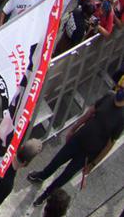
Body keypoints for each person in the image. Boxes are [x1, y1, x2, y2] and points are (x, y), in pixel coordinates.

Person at [28, 75, 124, 205]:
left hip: (88, 154)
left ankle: (47, 194)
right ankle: (42, 175)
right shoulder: (109, 96)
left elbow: (109, 144)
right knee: (57, 160)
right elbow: (90, 112)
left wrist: (92, 164)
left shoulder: (122, 117)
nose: (120, 90)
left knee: (66, 175)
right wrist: (74, 128)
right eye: (121, 87)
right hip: (78, 139)